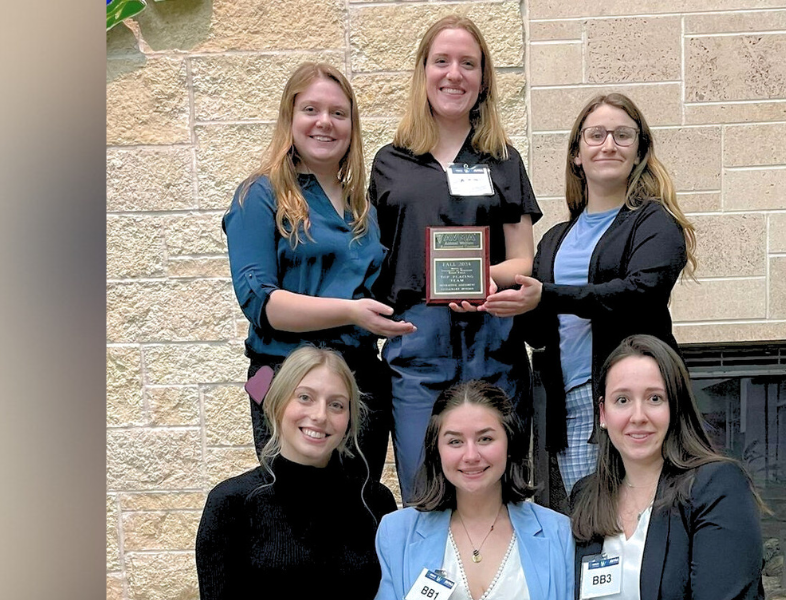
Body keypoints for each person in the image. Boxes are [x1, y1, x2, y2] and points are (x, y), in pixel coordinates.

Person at [480, 93, 698, 495]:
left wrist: (547, 295)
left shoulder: (654, 223)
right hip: (572, 407)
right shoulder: (553, 240)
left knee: (643, 515)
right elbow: (540, 333)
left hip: (633, 401)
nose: (609, 145)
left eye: (622, 135)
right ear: (577, 154)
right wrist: (505, 303)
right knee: (588, 523)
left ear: (639, 152)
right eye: (596, 135)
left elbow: (639, 293)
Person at [369, 15, 541, 502]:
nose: (454, 74)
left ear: (483, 79)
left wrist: (482, 280)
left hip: (492, 343)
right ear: (423, 72)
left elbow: (522, 259)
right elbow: (374, 261)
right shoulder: (389, 163)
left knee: (501, 491)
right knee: (425, 490)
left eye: (469, 64)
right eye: (441, 61)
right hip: (418, 348)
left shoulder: (502, 159)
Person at [223, 61, 414, 476]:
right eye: (311, 110)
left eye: (338, 113)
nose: (325, 122)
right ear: (290, 118)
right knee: (294, 515)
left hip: (361, 382)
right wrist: (349, 311)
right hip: (286, 380)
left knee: (358, 510)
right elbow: (262, 303)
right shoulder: (260, 195)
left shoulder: (363, 207)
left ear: (351, 126)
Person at [569, 335, 764, 600]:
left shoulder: (716, 486)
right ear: (603, 413)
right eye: (623, 400)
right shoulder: (586, 495)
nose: (638, 417)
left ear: (676, 407)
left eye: (655, 399)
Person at [195, 346, 398, 599]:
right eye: (305, 397)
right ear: (278, 404)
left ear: (348, 419)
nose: (320, 415)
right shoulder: (231, 502)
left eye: (336, 404)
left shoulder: (376, 502)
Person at [375, 380, 573, 600]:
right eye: (455, 441)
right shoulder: (396, 533)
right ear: (436, 450)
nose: (471, 456)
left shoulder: (558, 532)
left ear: (510, 443)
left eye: (485, 439)